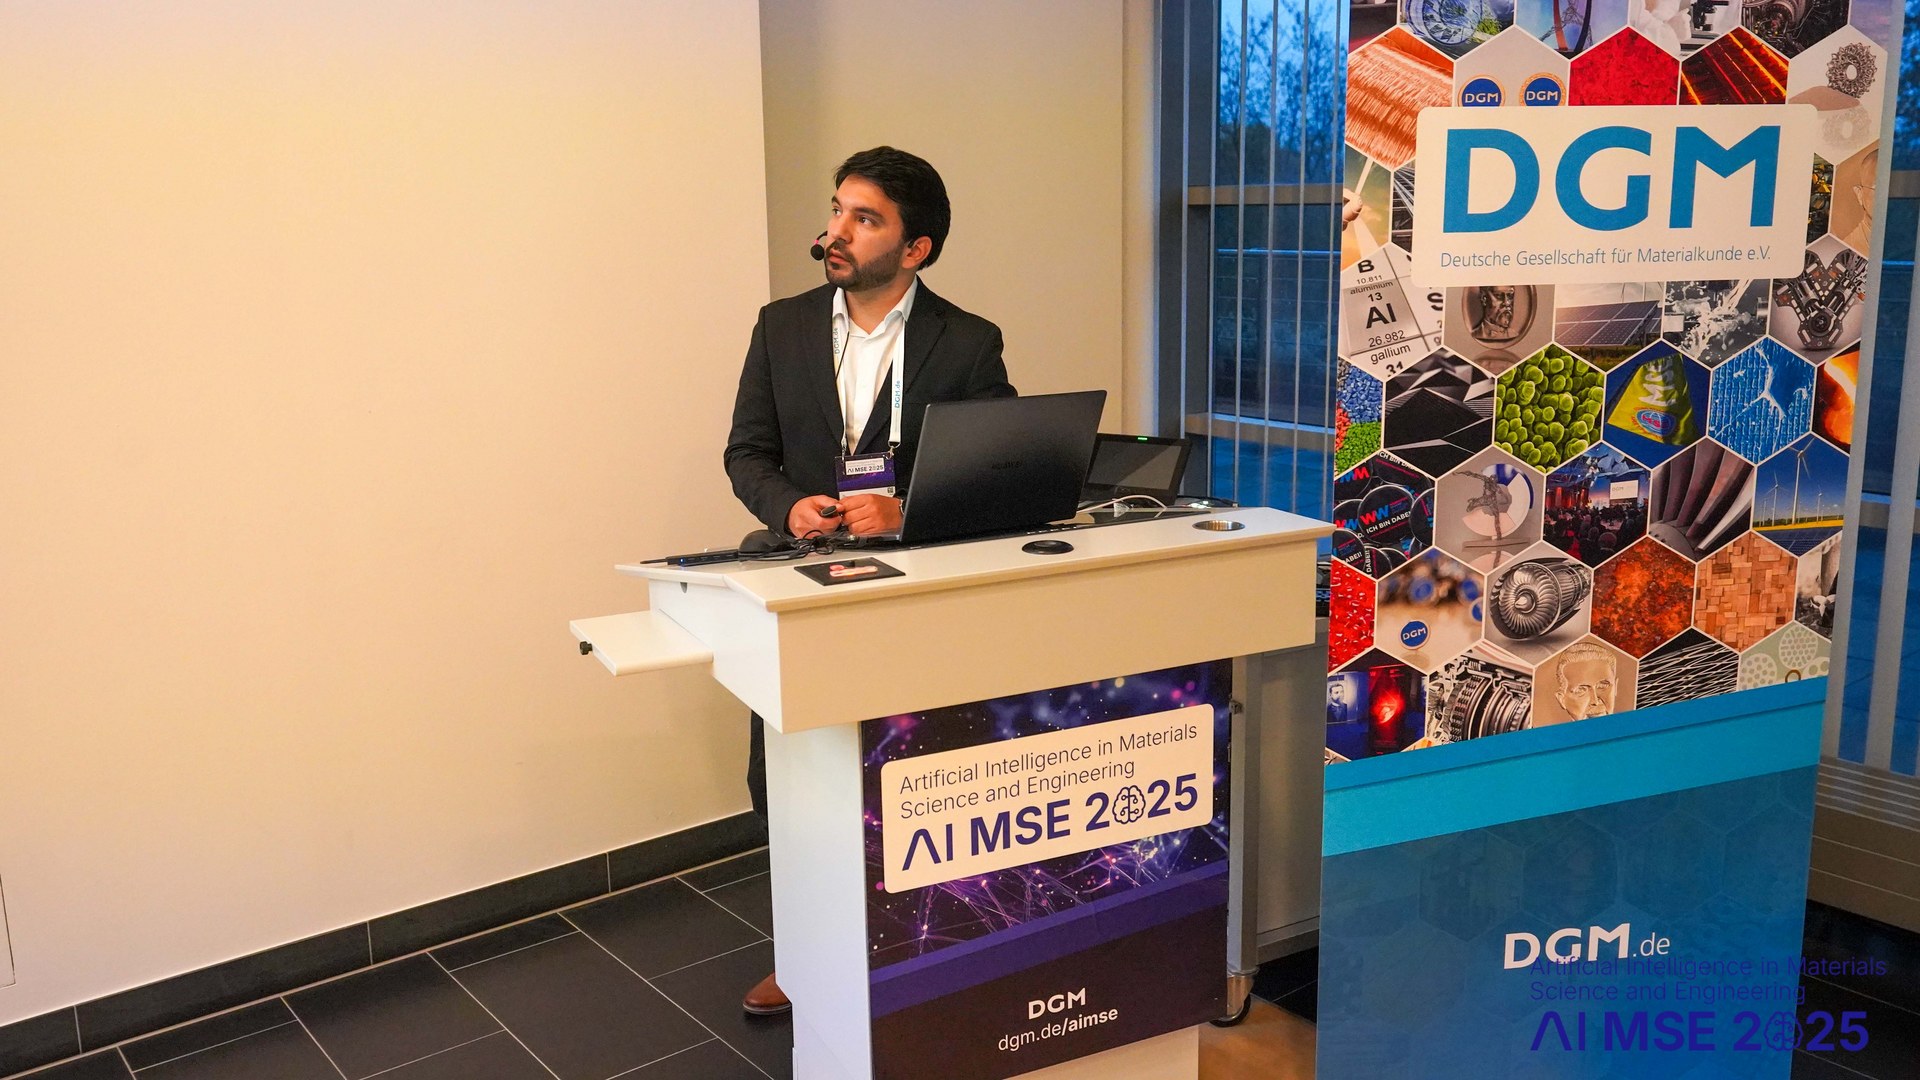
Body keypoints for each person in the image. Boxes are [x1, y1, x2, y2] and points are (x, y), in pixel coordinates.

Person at [722, 146, 1015, 1015]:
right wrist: (788, 507)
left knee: (909, 771)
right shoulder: (780, 326)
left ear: (915, 248)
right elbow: (747, 453)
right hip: (803, 582)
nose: (836, 233)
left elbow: (998, 472)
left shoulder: (968, 342)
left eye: (865, 218)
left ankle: (924, 952)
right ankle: (807, 956)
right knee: (791, 773)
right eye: (837, 210)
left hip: (915, 590)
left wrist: (905, 511)